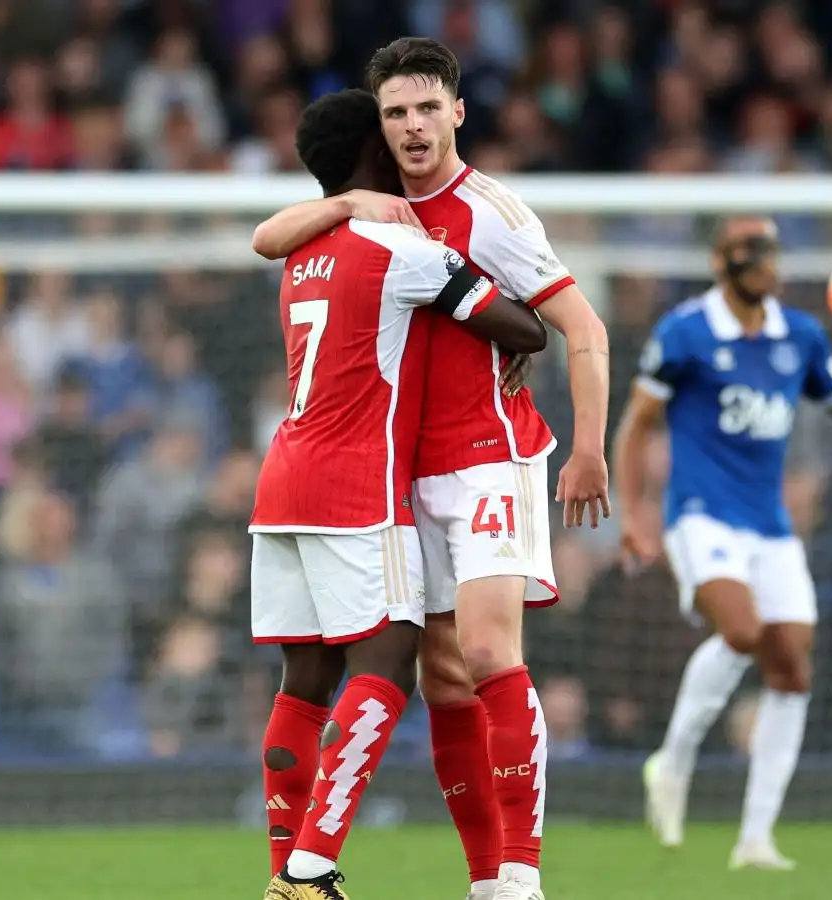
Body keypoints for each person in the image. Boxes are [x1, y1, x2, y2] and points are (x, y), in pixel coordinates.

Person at [252, 38, 612, 900]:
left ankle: (520, 877)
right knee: (441, 674)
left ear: (458, 111)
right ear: (380, 128)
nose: (413, 126)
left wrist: (591, 445)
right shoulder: (374, 217)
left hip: (491, 455)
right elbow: (269, 233)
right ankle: (484, 881)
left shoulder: (491, 212)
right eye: (396, 112)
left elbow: (580, 327)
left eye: (426, 108)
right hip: (402, 475)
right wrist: (349, 205)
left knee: (487, 651)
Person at [611, 216, 832, 869]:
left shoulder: (799, 337)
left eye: (771, 252)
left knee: (793, 669)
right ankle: (673, 761)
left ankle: (755, 838)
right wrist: (633, 513)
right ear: (723, 264)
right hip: (701, 514)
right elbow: (638, 423)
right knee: (743, 631)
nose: (767, 264)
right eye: (752, 253)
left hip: (770, 525)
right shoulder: (686, 332)